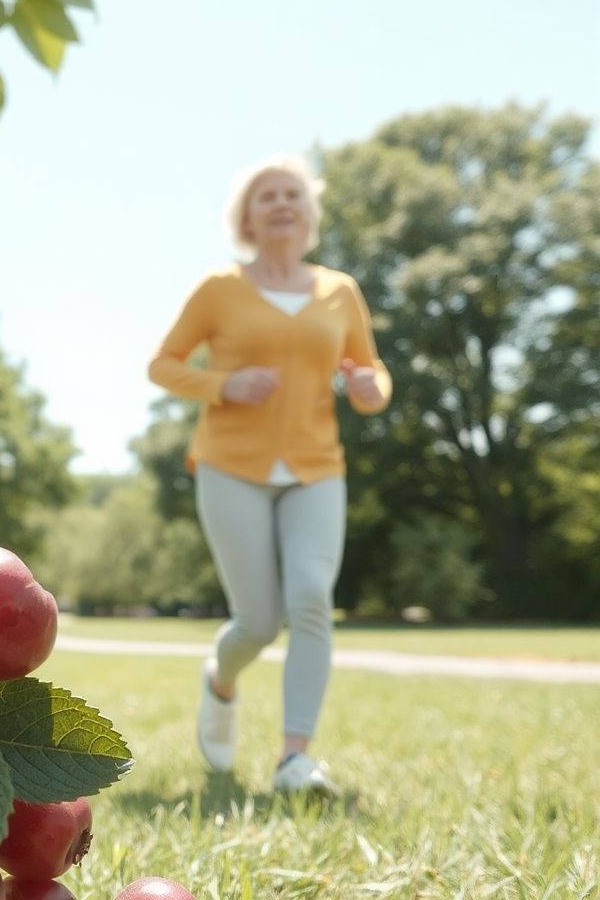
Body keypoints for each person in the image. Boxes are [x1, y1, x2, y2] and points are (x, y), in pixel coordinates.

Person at [147, 154, 391, 797]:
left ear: (309, 213)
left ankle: (294, 759)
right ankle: (220, 681)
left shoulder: (340, 291)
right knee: (257, 622)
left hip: (316, 466)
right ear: (247, 219)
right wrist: (224, 383)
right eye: (266, 196)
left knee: (311, 595)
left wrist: (370, 385)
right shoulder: (219, 289)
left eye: (292, 194)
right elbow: (163, 365)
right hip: (231, 464)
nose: (281, 203)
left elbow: (372, 378)